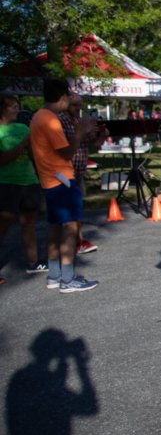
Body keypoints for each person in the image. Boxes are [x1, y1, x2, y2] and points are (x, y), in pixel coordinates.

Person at [28, 79, 99, 292]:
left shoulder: (37, 117)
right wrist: (81, 132)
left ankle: (54, 274)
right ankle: (67, 278)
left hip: (51, 179)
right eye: (69, 97)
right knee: (70, 227)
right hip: (61, 179)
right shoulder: (50, 120)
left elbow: (34, 152)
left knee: (55, 227)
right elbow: (67, 152)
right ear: (62, 97)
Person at [0, 95, 46, 284]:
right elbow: (2, 159)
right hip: (7, 183)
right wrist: (22, 145)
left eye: (17, 105)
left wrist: (40, 177)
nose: (17, 109)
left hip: (29, 181)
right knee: (3, 226)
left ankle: (33, 262)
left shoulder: (23, 128)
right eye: (13, 106)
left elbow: (33, 155)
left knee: (29, 223)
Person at [58, 94, 105, 255]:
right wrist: (81, 131)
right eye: (74, 105)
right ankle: (73, 242)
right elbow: (64, 148)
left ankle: (78, 240)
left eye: (80, 105)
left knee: (77, 208)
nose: (77, 109)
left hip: (79, 171)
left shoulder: (80, 122)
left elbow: (95, 144)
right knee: (69, 211)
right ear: (66, 105)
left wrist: (102, 133)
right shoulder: (60, 121)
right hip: (64, 172)